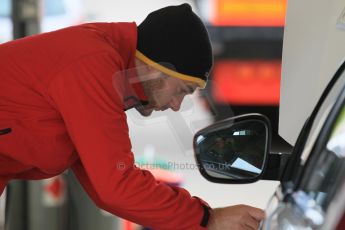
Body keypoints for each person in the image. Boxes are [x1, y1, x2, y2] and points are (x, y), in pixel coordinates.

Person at [0, 3, 265, 229]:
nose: (176, 106)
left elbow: (104, 182)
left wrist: (202, 218)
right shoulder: (93, 65)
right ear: (156, 69)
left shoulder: (106, 67)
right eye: (182, 91)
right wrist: (207, 219)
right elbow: (116, 185)